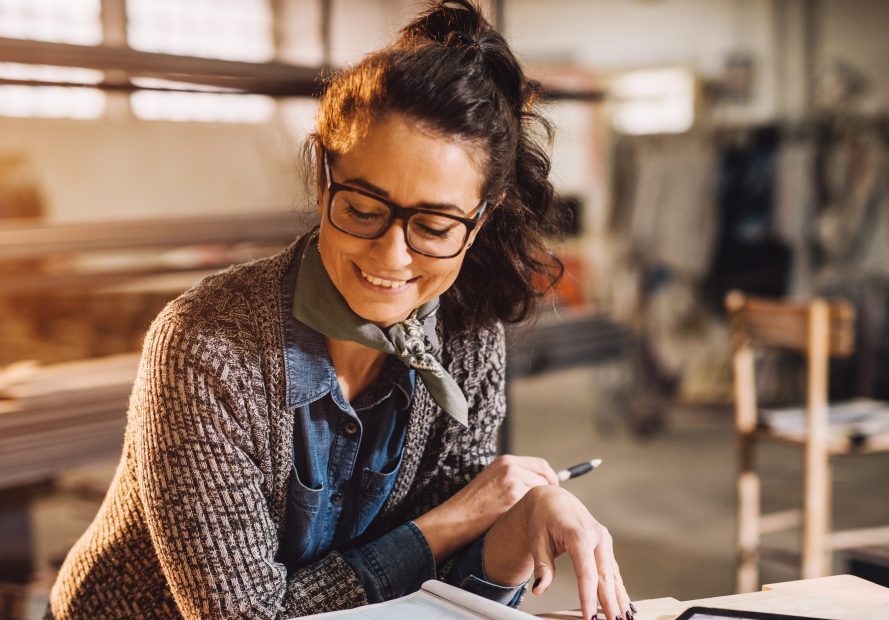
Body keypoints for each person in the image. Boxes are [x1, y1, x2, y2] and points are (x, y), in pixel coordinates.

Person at [47, 2, 634, 619]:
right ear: (325, 180)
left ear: (479, 220)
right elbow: (244, 616)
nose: (392, 254)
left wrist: (520, 527)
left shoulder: (467, 339)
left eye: (433, 225)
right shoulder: (205, 349)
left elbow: (441, 592)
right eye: (362, 208)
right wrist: (451, 522)